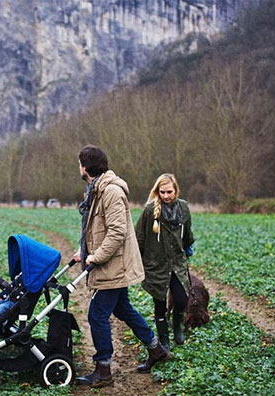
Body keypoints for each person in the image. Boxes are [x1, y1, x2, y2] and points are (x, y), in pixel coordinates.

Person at [73, 145, 170, 387]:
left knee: (97, 315)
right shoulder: (96, 190)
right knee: (122, 309)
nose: (78, 167)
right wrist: (83, 252)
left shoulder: (111, 192)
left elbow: (116, 232)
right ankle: (156, 349)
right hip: (111, 263)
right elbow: (96, 229)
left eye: (79, 163)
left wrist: (96, 257)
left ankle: (103, 369)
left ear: (86, 167)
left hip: (114, 265)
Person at [135, 174, 195, 356]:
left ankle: (177, 326)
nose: (166, 196)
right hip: (156, 265)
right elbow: (139, 238)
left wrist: (186, 250)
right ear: (157, 192)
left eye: (169, 192)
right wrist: (141, 262)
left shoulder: (183, 208)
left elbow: (187, 235)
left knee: (181, 299)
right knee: (159, 304)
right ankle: (164, 340)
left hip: (176, 263)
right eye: (162, 192)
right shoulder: (149, 210)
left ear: (176, 190)